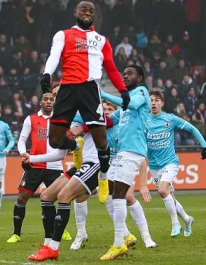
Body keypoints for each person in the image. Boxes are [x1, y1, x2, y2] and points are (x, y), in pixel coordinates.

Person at [39, 1, 130, 205]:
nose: (87, 12)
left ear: (94, 15)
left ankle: (104, 177)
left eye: (91, 10)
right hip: (68, 89)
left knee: (101, 142)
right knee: (54, 140)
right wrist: (47, 73)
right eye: (83, 9)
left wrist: (123, 90)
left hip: (90, 90)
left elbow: (112, 68)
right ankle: (75, 146)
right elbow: (54, 55)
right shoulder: (63, 34)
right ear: (75, 12)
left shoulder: (101, 40)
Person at [70, 100, 156, 250]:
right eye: (104, 109)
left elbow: (141, 159)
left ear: (116, 111)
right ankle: (81, 233)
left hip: (119, 168)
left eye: (110, 108)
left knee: (128, 197)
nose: (107, 111)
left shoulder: (122, 128)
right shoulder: (95, 128)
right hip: (98, 169)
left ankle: (146, 237)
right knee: (80, 196)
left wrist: (143, 184)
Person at [28, 110, 100, 261]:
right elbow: (60, 154)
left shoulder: (89, 112)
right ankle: (47, 245)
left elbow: (102, 123)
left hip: (95, 163)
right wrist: (32, 158)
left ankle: (53, 248)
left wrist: (81, 129)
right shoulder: (69, 120)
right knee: (46, 196)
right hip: (80, 166)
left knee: (64, 196)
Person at [98, 65, 150, 260]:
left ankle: (118, 243)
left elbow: (132, 104)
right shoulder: (123, 109)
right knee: (111, 193)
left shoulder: (141, 92)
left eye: (130, 73)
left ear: (140, 78)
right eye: (124, 73)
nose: (125, 76)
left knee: (119, 194)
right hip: (121, 153)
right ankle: (124, 237)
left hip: (133, 152)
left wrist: (103, 93)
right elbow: (108, 121)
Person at [7, 91, 72, 243]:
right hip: (35, 165)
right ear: (41, 102)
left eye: (51, 99)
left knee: (62, 198)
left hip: (55, 167)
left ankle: (61, 230)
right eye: (46, 99)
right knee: (22, 198)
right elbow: (22, 140)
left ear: (54, 102)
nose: (49, 102)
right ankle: (16, 233)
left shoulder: (61, 120)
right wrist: (23, 153)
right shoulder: (31, 119)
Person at [147, 88, 206, 237]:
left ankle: (175, 223)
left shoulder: (170, 119)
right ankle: (187, 220)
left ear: (162, 103)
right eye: (151, 100)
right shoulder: (143, 120)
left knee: (162, 190)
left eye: (156, 100)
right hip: (154, 166)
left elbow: (192, 128)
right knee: (168, 195)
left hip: (170, 162)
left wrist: (204, 145)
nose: (153, 103)